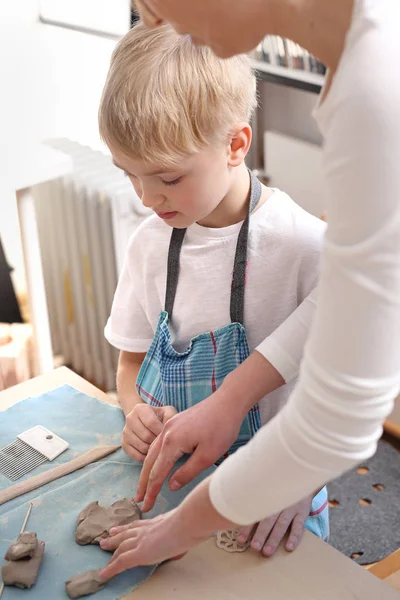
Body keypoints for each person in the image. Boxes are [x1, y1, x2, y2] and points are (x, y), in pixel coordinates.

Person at [100, 0, 400, 580]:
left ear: (237, 145)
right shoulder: (150, 242)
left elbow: (341, 400)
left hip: (273, 507)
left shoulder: (302, 243)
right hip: (179, 482)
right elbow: (131, 363)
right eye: (128, 174)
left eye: (167, 178)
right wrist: (137, 409)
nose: (145, 198)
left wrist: (289, 478)